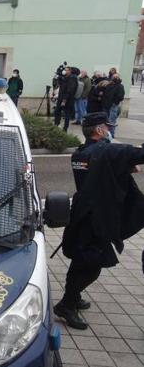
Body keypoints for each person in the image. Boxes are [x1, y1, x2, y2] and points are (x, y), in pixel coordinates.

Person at [53, 112, 144, 330]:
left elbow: (103, 173)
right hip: (98, 220)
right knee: (93, 264)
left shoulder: (79, 154)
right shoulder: (109, 152)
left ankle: (72, 299)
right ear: (100, 130)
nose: (110, 131)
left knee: (82, 259)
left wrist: (124, 166)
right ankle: (66, 303)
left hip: (83, 215)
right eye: (107, 127)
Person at [54, 66, 78, 132]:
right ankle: (56, 124)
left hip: (67, 99)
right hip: (61, 97)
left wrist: (64, 100)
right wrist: (59, 76)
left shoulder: (72, 78)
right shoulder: (65, 78)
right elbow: (60, 84)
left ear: (70, 71)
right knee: (57, 111)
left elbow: (70, 90)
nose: (65, 71)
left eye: (67, 70)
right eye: (65, 70)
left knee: (66, 113)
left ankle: (65, 128)